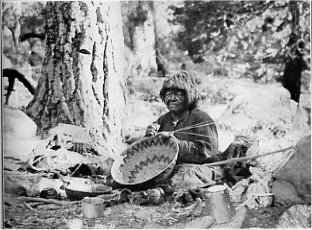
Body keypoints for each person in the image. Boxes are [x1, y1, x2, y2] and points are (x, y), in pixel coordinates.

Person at [145, 71, 226, 190]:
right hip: (169, 169)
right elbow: (150, 154)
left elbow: (208, 152)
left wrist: (175, 144)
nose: (172, 98)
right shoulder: (163, 120)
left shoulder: (201, 118)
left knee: (184, 174)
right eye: (168, 94)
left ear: (189, 96)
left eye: (178, 94)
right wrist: (148, 138)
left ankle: (163, 191)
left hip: (201, 168)